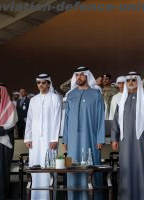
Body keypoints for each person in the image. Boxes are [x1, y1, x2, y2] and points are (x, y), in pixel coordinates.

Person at [63, 66, 105, 200]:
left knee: (91, 169)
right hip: (72, 142)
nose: (79, 77)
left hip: (91, 139)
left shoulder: (96, 94)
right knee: (71, 168)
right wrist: (65, 140)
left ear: (87, 76)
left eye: (82, 75)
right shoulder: (70, 95)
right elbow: (66, 119)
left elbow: (100, 117)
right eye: (77, 75)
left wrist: (100, 139)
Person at [111, 71, 144, 200]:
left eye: (133, 80)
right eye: (128, 80)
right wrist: (114, 138)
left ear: (138, 82)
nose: (130, 83)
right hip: (125, 142)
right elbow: (116, 121)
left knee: (141, 168)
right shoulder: (121, 100)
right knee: (126, 169)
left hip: (141, 141)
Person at [24, 74, 61, 200]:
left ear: (49, 84)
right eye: (38, 83)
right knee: (36, 166)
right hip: (35, 140)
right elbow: (29, 119)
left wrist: (54, 139)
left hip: (49, 140)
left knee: (48, 168)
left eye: (43, 83)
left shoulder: (55, 98)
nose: (41, 85)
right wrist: (28, 137)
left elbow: (57, 120)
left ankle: (48, 197)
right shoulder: (33, 100)